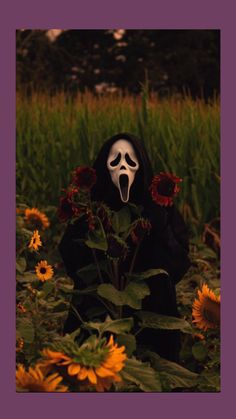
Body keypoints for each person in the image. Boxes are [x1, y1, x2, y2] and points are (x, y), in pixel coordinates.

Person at [59, 132, 190, 362]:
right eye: (115, 160)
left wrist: (157, 223)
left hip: (150, 332)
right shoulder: (93, 212)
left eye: (130, 161)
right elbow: (73, 261)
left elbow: (177, 265)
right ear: (103, 168)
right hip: (98, 328)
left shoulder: (159, 212)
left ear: (141, 168)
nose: (123, 167)